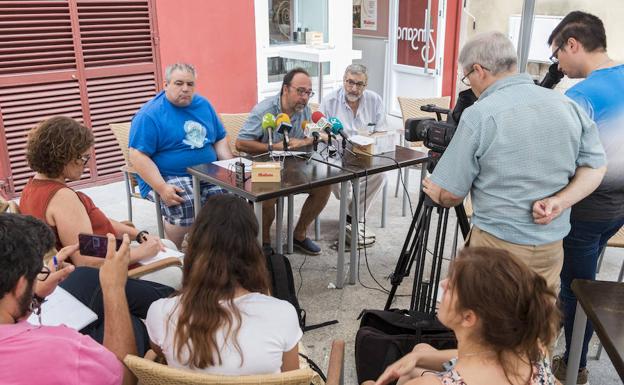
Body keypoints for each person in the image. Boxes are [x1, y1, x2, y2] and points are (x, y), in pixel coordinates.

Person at [421, 31, 607, 292]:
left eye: (467, 77)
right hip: (551, 246)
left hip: (495, 249)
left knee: (489, 326)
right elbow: (596, 165)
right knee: (537, 324)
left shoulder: (480, 115)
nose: (469, 85)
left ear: (478, 70)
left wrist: (434, 190)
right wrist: (560, 201)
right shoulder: (568, 106)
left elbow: (451, 195)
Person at [547, 11, 624, 384]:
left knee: (575, 288)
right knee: (587, 278)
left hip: (587, 206)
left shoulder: (581, 96)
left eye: (558, 53)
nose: (558, 64)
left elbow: (559, 159)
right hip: (618, 208)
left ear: (573, 44)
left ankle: (572, 366)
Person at [145, 194, 302, 375]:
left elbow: (158, 352)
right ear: (253, 252)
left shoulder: (160, 312)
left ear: (194, 249)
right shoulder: (282, 313)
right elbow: (293, 378)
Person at [19, 116, 181, 288]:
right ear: (63, 157)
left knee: (167, 245)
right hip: (112, 275)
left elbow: (90, 221)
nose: (87, 165)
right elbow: (88, 263)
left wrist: (138, 234)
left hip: (108, 251)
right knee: (177, 270)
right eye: (83, 158)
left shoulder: (31, 187)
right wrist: (140, 253)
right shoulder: (62, 198)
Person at [372, 247, 559, 385]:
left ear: (468, 318)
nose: (443, 284)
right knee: (420, 349)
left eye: (452, 287)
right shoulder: (534, 347)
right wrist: (418, 358)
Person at [0, 213, 137, 385]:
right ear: (19, 286)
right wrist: (113, 288)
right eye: (36, 276)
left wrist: (34, 296)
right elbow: (126, 379)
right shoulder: (63, 350)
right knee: (134, 323)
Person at [129, 63, 233, 248]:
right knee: (185, 202)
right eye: (178, 83)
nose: (185, 89)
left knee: (232, 199)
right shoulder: (150, 114)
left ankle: (210, 247)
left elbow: (219, 138)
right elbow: (137, 155)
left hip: (207, 171)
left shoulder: (203, 105)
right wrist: (161, 187)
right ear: (166, 84)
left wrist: (231, 166)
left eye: (190, 84)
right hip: (167, 177)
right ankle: (176, 252)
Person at [236, 68, 331, 255]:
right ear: (285, 89)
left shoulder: (305, 112)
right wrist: (273, 147)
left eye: (308, 93)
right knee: (269, 194)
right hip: (263, 166)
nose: (305, 97)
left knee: (323, 186)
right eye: (300, 91)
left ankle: (299, 235)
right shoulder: (265, 111)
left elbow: (315, 136)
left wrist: (304, 141)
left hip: (291, 167)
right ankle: (263, 243)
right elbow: (241, 143)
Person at [320, 64, 387, 246]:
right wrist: (335, 139)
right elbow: (320, 132)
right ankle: (354, 216)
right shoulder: (329, 100)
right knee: (336, 177)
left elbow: (381, 131)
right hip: (336, 153)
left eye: (359, 84)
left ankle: (352, 218)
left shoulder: (375, 100)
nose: (354, 88)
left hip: (364, 153)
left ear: (365, 85)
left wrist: (369, 139)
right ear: (344, 80)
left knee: (380, 175)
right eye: (350, 82)